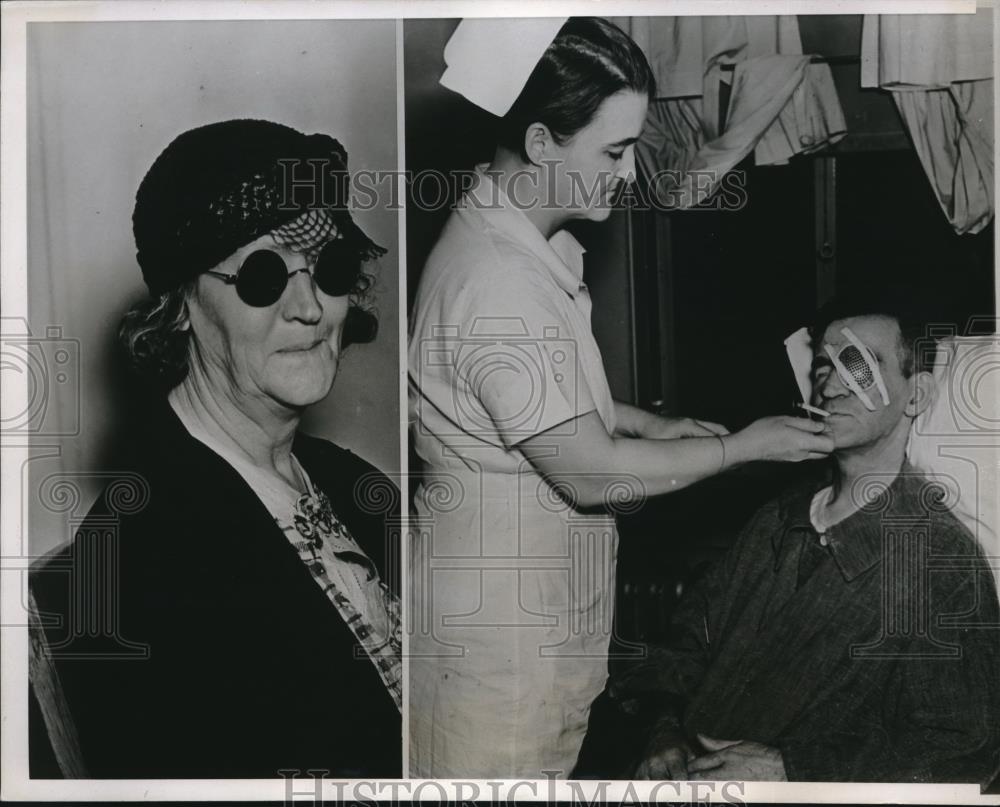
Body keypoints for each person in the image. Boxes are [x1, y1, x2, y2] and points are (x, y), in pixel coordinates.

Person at [407, 17, 835, 779]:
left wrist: (650, 423)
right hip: (493, 666)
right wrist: (742, 447)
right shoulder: (497, 282)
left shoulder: (527, 247)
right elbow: (590, 473)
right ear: (542, 143)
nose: (631, 172)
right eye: (615, 150)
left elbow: (535, 405)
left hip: (535, 641)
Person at [29, 119, 401, 778]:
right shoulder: (135, 562)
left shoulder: (352, 482)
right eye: (263, 276)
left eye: (332, 267)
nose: (311, 308)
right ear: (181, 306)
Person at [614, 299, 1000, 783]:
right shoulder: (778, 518)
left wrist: (789, 769)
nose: (832, 384)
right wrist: (663, 732)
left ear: (917, 395)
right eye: (823, 365)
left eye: (859, 365)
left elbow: (960, 748)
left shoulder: (937, 561)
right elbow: (685, 643)